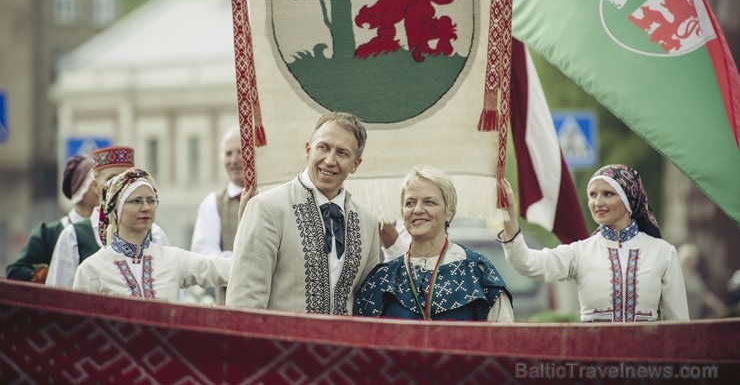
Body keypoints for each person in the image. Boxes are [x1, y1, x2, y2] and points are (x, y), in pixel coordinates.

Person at [226, 111, 380, 314]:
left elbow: (367, 306)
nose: (330, 160)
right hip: (279, 344)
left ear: (356, 164)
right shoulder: (266, 208)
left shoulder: (367, 222)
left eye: (342, 153)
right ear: (308, 150)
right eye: (323, 148)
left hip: (343, 345)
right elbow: (243, 303)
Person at [499, 164, 689, 322]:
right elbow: (525, 262)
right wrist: (508, 213)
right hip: (594, 363)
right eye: (592, 195)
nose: (597, 202)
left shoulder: (663, 252)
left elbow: (680, 327)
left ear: (629, 198)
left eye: (608, 194)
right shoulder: (580, 252)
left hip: (647, 364)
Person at [355, 166, 514, 321]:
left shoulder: (477, 271)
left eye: (429, 202)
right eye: (410, 203)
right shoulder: (383, 278)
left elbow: (504, 340)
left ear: (449, 211)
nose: (417, 210)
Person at [74, 168, 229, 301]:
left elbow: (225, 269)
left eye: (151, 200)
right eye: (136, 201)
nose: (146, 207)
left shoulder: (172, 259)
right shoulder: (91, 270)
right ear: (115, 211)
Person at [46, 146, 170, 289]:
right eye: (112, 180)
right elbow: (60, 297)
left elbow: (171, 293)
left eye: (128, 180)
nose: (121, 187)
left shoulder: (155, 234)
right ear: (95, 186)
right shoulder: (73, 237)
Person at [5, 155, 98, 283]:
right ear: (81, 189)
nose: (101, 189)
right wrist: (44, 274)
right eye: (94, 184)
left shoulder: (109, 231)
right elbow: (15, 271)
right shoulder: (48, 234)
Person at [190, 126, 244, 304]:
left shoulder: (271, 197)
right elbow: (202, 261)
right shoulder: (213, 204)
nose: (234, 160)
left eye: (240, 151)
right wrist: (243, 262)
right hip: (231, 306)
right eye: (228, 153)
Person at [678, 243, 727, 319]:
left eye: (695, 259)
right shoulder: (678, 276)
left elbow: (704, 295)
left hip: (694, 318)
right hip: (679, 320)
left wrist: (721, 308)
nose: (694, 262)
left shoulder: (695, 276)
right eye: (691, 259)